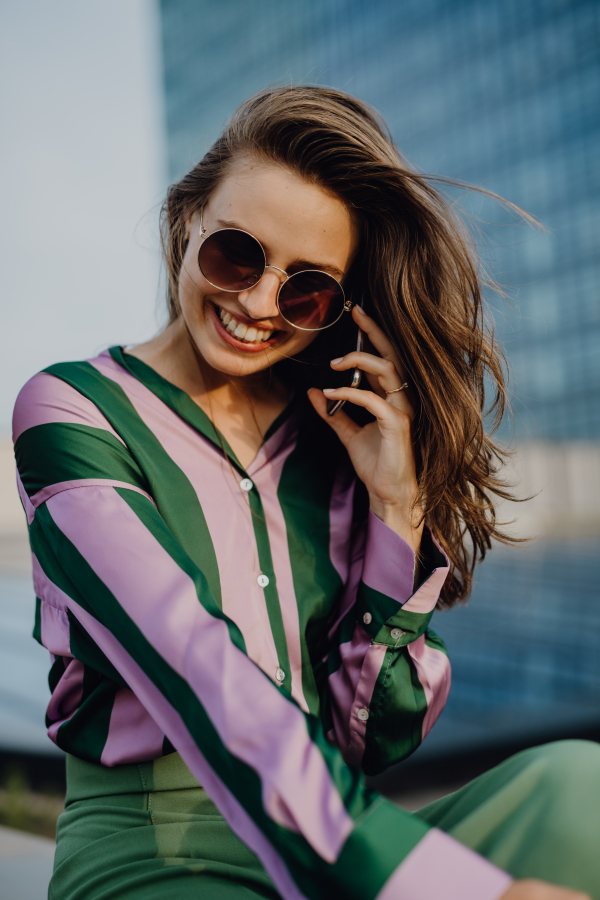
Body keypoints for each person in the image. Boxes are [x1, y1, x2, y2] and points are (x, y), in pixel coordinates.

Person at [12, 86, 598, 900]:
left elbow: (373, 736)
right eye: (236, 254)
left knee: (582, 790)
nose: (256, 304)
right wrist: (469, 890)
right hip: (157, 853)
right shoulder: (71, 411)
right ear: (189, 219)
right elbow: (196, 670)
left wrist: (398, 508)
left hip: (337, 829)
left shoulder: (335, 443)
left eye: (305, 290)